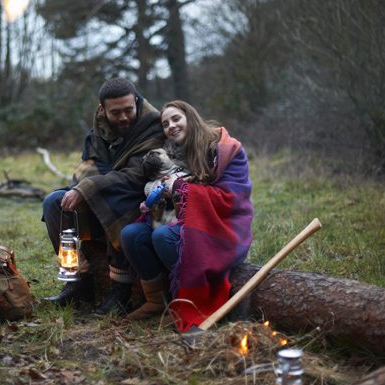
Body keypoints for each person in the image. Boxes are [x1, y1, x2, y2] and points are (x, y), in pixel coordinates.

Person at [120, 100, 254, 332]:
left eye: (176, 119)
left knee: (163, 237)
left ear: (190, 117)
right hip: (181, 220)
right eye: (165, 123)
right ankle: (156, 301)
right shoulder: (169, 154)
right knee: (131, 234)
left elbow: (230, 198)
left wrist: (180, 187)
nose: (171, 126)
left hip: (220, 227)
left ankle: (190, 301)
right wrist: (156, 196)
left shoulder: (223, 148)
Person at [42, 77, 165, 315]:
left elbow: (136, 176)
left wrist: (89, 186)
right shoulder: (100, 128)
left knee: (115, 200)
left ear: (137, 102)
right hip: (102, 192)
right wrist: (84, 187)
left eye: (128, 110)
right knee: (54, 202)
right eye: (115, 112)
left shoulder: (154, 127)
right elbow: (91, 164)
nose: (123, 117)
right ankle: (77, 281)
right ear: (103, 110)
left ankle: (120, 293)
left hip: (137, 200)